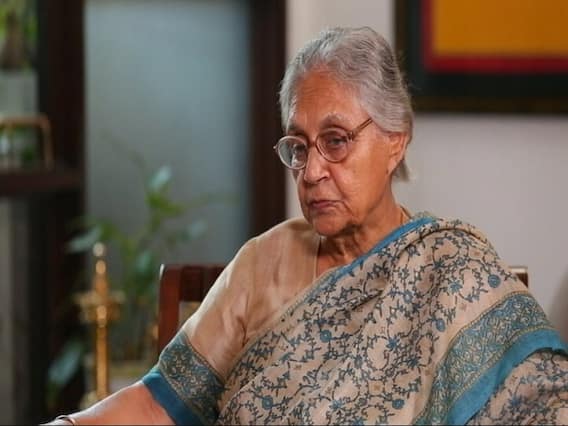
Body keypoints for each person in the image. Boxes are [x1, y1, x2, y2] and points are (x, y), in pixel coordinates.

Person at [47, 26, 567, 425]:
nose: (312, 170)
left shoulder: (454, 270)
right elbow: (159, 402)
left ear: (396, 140)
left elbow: (545, 406)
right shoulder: (262, 263)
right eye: (298, 147)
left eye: (336, 141)